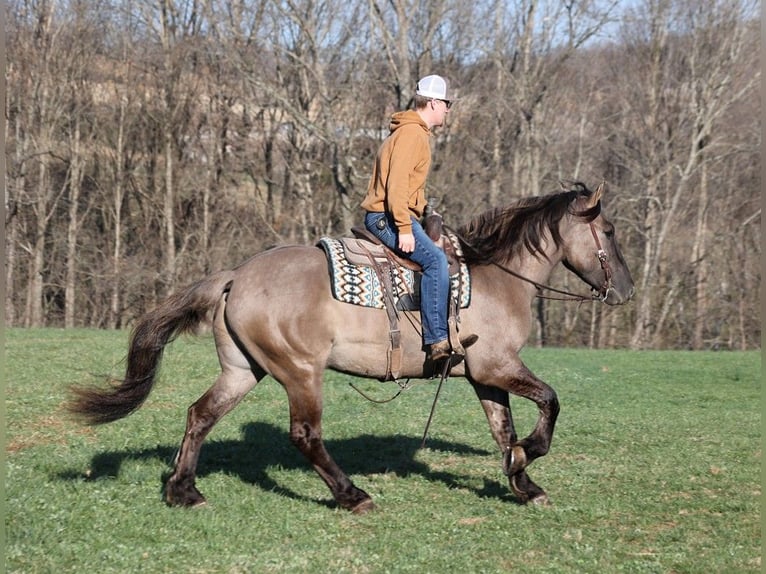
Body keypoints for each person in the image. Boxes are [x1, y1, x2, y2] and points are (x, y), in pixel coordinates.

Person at [361, 74, 461, 363]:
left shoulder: (412, 132)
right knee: (435, 260)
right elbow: (397, 187)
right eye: (446, 103)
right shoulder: (412, 134)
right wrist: (405, 228)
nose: (448, 109)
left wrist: (426, 212)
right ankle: (436, 342)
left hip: (396, 214)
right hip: (388, 218)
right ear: (432, 103)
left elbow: (409, 187)